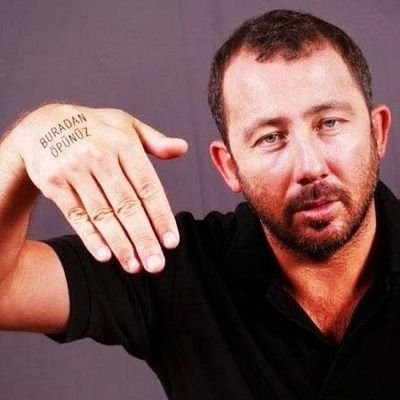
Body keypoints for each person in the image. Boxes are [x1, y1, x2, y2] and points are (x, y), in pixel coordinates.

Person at [0, 8, 397, 399]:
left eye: (329, 123)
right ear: (230, 167)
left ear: (377, 132)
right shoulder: (174, 270)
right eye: (270, 138)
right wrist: (23, 145)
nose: (310, 167)